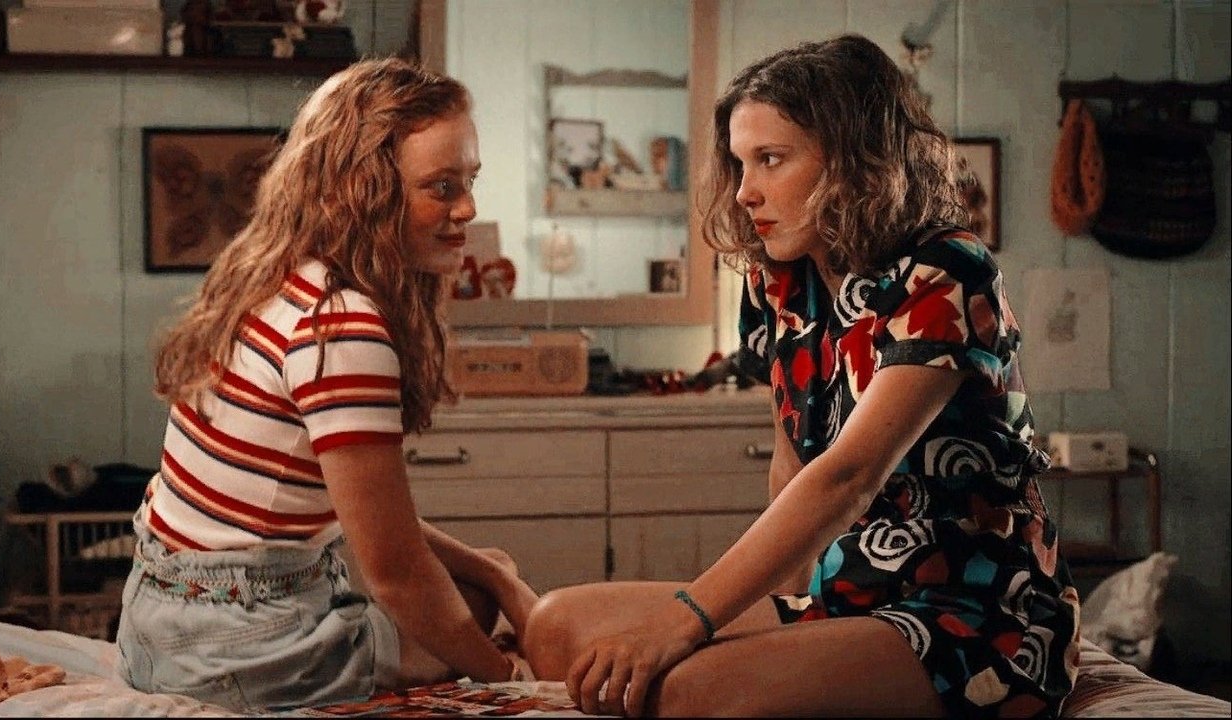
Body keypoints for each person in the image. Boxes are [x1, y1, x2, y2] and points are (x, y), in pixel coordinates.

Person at [521, 34, 1079, 719]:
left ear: (853, 161)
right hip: (845, 593)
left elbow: (847, 477)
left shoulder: (947, 270)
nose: (745, 191)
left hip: (975, 613)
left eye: (771, 159)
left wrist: (688, 621)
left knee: (690, 688)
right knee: (555, 627)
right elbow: (791, 469)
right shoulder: (778, 280)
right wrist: (781, 620)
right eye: (739, 163)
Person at [116, 57, 539, 712]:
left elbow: (378, 523)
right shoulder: (341, 326)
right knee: (470, 608)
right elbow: (395, 574)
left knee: (485, 575)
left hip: (155, 623)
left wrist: (498, 574)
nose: (468, 208)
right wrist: (507, 676)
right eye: (441, 187)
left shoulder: (275, 276)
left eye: (469, 180)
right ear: (366, 192)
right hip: (238, 646)